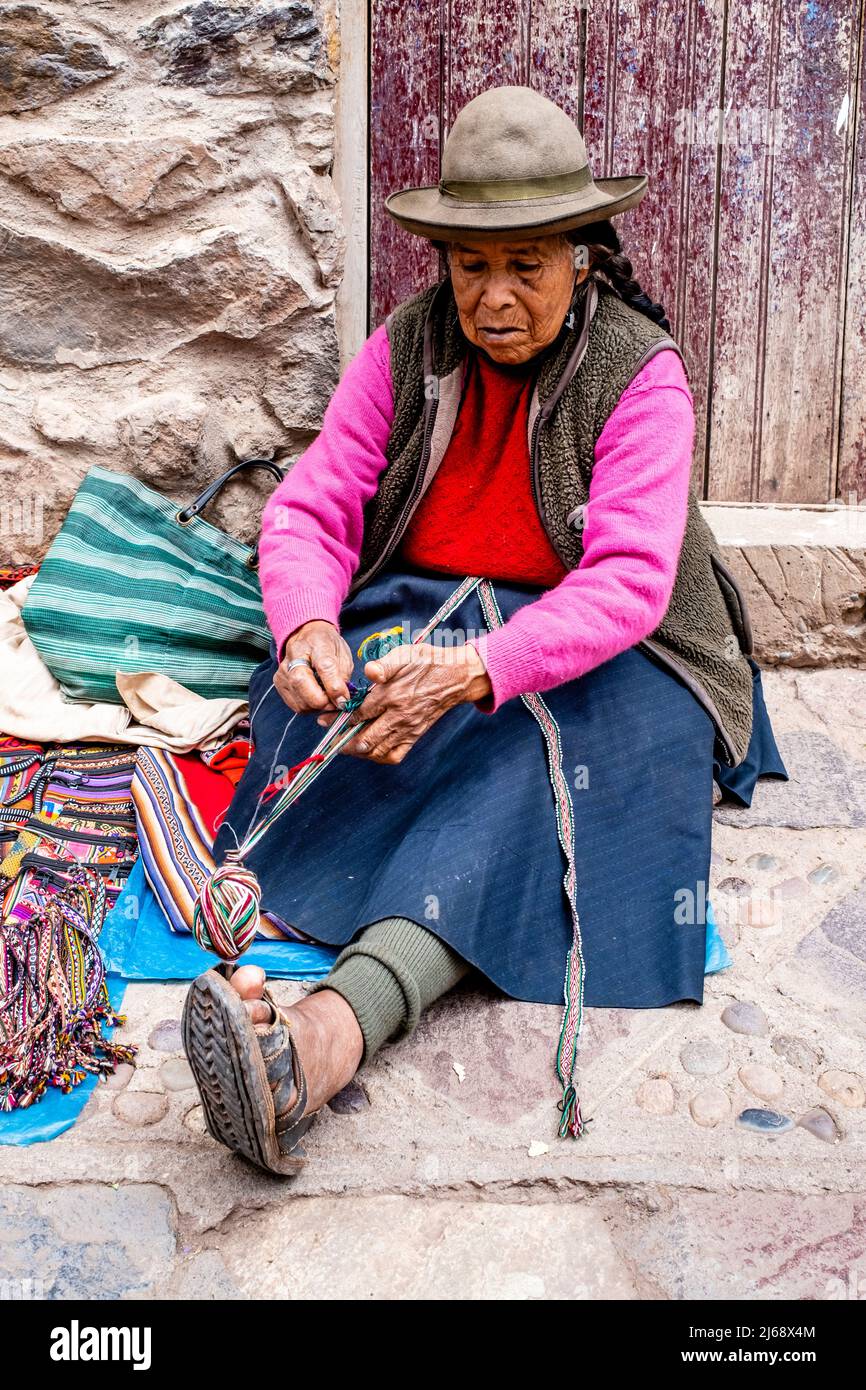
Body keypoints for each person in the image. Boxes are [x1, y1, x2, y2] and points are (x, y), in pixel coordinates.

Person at [182, 85, 787, 1175]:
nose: (494, 297)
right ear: (442, 263)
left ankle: (323, 1040)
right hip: (439, 612)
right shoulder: (408, 346)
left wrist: (475, 673)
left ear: (582, 259)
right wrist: (307, 625)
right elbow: (314, 505)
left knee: (524, 773)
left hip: (621, 653)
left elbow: (629, 584)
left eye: (528, 265)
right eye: (472, 266)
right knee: (340, 709)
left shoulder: (636, 373)